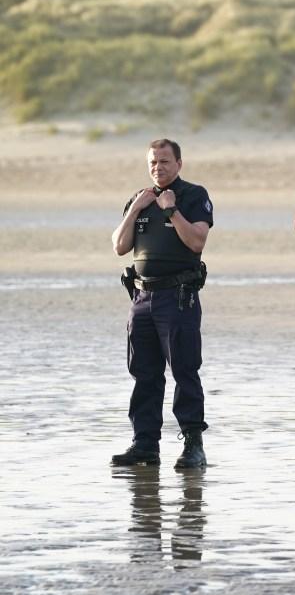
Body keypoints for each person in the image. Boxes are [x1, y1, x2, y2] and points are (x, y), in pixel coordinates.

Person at [110, 139, 213, 469]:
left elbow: (196, 241)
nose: (158, 167)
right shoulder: (139, 199)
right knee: (144, 373)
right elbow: (119, 246)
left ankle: (193, 446)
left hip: (177, 298)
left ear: (179, 164)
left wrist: (171, 210)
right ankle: (145, 445)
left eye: (165, 161)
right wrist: (135, 210)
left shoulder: (193, 196)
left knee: (184, 371)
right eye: (153, 162)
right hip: (141, 298)